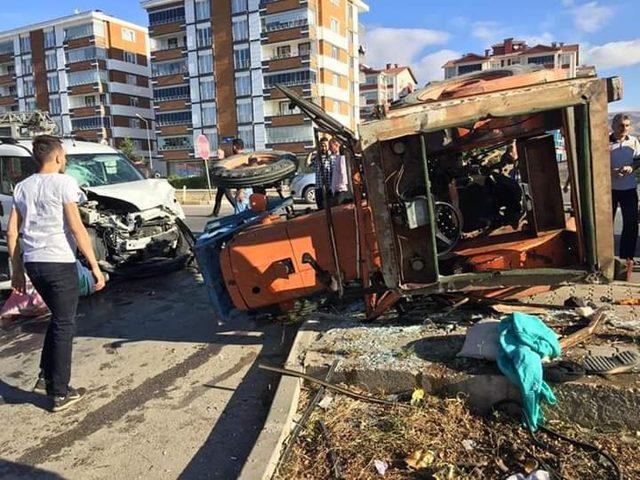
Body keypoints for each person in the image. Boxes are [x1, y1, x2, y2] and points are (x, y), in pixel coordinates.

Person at [7, 135, 106, 412]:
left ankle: (45, 376)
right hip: (58, 262)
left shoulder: (22, 187)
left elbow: (12, 231)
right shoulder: (64, 183)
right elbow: (76, 228)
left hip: (34, 263)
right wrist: (95, 266)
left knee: (58, 319)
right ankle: (60, 393)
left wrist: (17, 270)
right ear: (58, 157)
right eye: (65, 156)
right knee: (65, 324)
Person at [609, 114, 640, 278]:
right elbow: (597, 162)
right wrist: (610, 172)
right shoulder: (605, 142)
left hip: (629, 188)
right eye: (621, 125)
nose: (624, 129)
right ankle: (605, 259)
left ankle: (626, 259)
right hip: (610, 189)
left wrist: (631, 167)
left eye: (627, 125)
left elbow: (638, 160)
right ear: (613, 125)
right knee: (607, 224)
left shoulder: (634, 142)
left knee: (631, 224)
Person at [329, 138, 350, 206]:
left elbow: (343, 172)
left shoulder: (341, 158)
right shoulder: (336, 158)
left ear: (337, 145)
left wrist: (344, 185)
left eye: (331, 146)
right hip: (337, 189)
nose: (330, 149)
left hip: (341, 189)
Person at [313, 137, 331, 209]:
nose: (324, 148)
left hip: (328, 188)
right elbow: (307, 164)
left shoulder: (331, 157)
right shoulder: (317, 158)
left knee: (328, 207)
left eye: (325, 146)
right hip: (318, 187)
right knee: (320, 208)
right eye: (322, 146)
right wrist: (312, 151)